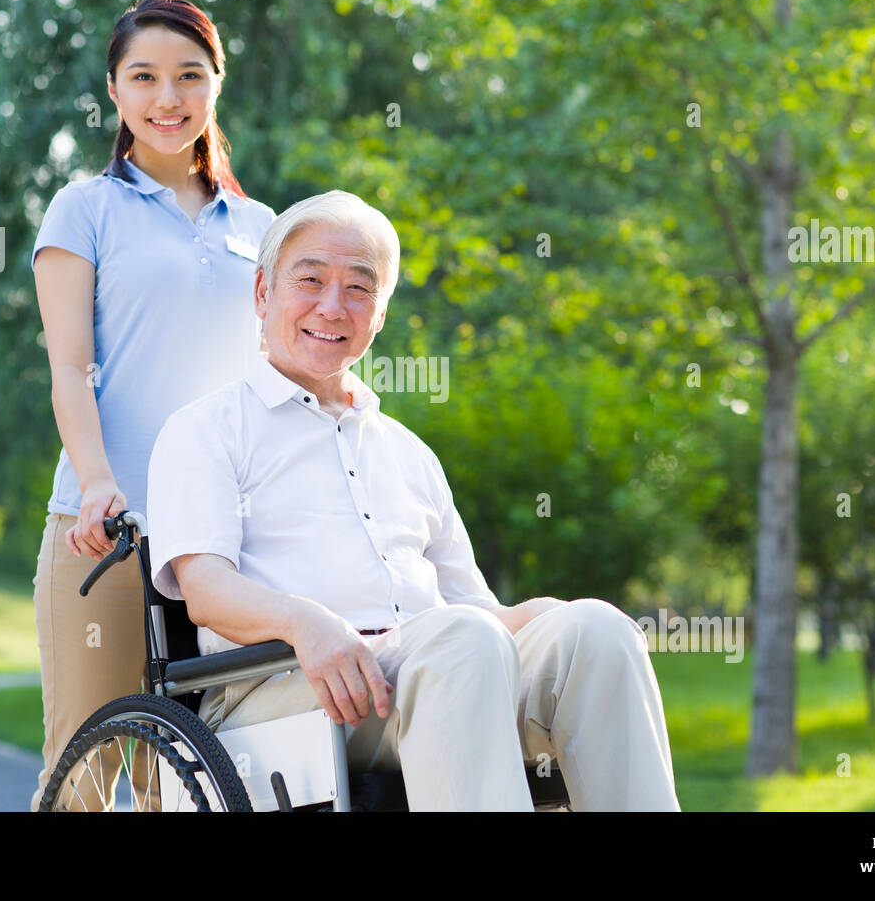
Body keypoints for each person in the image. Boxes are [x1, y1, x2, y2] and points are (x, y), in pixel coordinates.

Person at [146, 190, 682, 811]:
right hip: (280, 689)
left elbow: (476, 614)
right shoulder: (205, 428)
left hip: (440, 667)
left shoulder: (407, 452)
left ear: (380, 314)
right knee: (460, 642)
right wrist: (305, 622)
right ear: (263, 293)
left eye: (359, 288)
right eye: (311, 279)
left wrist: (533, 614)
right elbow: (207, 591)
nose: (331, 305)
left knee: (596, 629)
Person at [27, 0, 276, 811]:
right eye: (144, 78)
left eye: (188, 77)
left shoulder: (262, 228)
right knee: (88, 775)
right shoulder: (84, 210)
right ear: (114, 91)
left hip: (223, 541)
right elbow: (71, 369)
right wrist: (99, 482)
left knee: (203, 779)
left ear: (216, 87)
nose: (167, 99)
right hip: (105, 533)